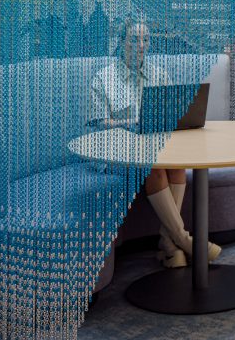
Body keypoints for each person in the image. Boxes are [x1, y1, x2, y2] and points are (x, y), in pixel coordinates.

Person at [88, 19, 220, 269]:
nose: (140, 45)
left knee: (177, 166)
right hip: (117, 152)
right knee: (155, 167)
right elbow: (96, 124)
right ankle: (184, 240)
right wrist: (130, 121)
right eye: (134, 40)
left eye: (145, 40)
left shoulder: (159, 73)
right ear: (121, 42)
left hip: (153, 146)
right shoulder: (104, 78)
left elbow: (171, 114)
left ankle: (168, 243)